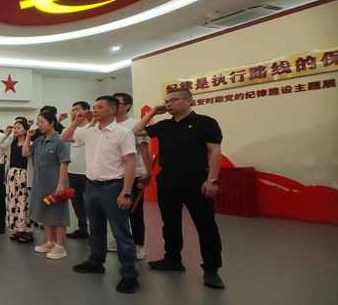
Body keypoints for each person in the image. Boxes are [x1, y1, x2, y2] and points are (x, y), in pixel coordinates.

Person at [132, 88, 225, 289]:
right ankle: (172, 259)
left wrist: (212, 180)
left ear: (189, 101)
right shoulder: (164, 125)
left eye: (173, 100)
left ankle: (211, 269)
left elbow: (215, 151)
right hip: (168, 178)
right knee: (170, 222)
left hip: (196, 177)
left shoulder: (206, 122)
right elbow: (136, 131)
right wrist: (153, 112)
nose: (168, 104)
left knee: (205, 224)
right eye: (166, 101)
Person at [61, 96, 140, 293]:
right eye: (94, 107)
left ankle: (129, 275)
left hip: (113, 187)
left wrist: (126, 193)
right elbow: (65, 136)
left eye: (99, 107)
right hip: (92, 187)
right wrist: (77, 121)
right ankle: (96, 262)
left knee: (121, 232)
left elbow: (130, 163)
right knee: (96, 230)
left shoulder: (123, 133)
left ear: (113, 109)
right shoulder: (90, 132)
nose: (94, 110)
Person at [107, 93, 153, 260]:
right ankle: (119, 238)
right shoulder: (109, 125)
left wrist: (148, 173)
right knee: (116, 210)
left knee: (134, 211)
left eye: (117, 103)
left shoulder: (134, 124)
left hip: (134, 174)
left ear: (127, 106)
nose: (112, 106)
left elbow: (144, 150)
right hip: (113, 175)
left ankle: (139, 243)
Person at [23, 112, 71, 259]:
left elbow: (64, 163)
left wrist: (61, 184)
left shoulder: (60, 140)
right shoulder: (38, 141)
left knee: (58, 215)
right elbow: (25, 153)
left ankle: (60, 246)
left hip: (55, 183)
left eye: (42, 122)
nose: (39, 125)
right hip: (40, 183)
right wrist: (28, 137)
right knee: (45, 213)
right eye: (38, 122)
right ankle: (50, 242)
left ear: (52, 123)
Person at [0, 119, 36, 243]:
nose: (15, 130)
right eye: (14, 128)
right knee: (14, 202)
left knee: (25, 202)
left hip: (25, 174)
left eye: (18, 127)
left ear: (26, 130)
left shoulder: (31, 143)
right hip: (13, 174)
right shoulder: (11, 143)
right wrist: (6, 134)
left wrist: (28, 137)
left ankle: (28, 230)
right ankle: (19, 228)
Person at [66, 101, 91, 239]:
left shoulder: (92, 128)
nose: (74, 112)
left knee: (91, 202)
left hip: (88, 172)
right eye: (73, 110)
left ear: (86, 111)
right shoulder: (72, 128)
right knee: (76, 201)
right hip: (73, 171)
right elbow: (63, 138)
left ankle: (96, 232)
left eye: (77, 109)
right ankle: (82, 228)